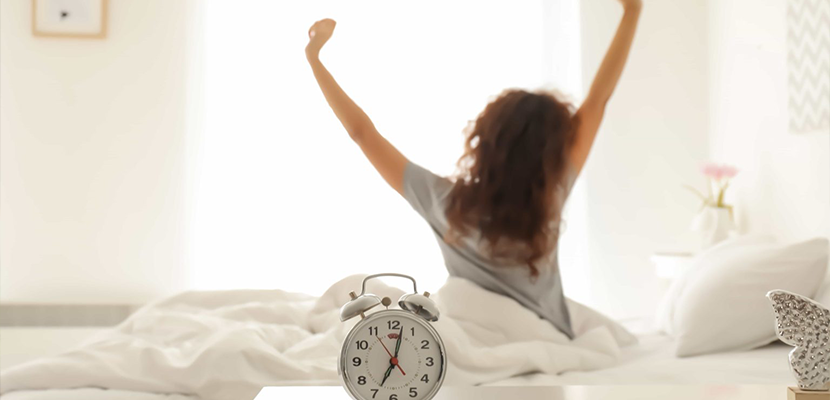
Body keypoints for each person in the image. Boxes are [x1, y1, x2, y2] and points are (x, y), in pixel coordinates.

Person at [305, 0, 642, 339]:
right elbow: (599, 99)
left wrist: (315, 58)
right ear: (553, 153)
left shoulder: (444, 202)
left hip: (469, 332)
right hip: (545, 335)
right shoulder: (551, 194)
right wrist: (632, 13)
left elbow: (361, 133)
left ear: (486, 141)